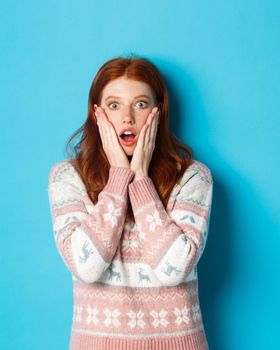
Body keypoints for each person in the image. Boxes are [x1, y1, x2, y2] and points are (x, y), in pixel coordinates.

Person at [47, 55, 213, 349]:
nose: (127, 118)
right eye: (114, 105)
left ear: (158, 111)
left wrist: (140, 181)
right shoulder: (67, 178)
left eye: (140, 104)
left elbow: (171, 269)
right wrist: (119, 177)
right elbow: (86, 268)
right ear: (97, 114)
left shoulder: (194, 178)